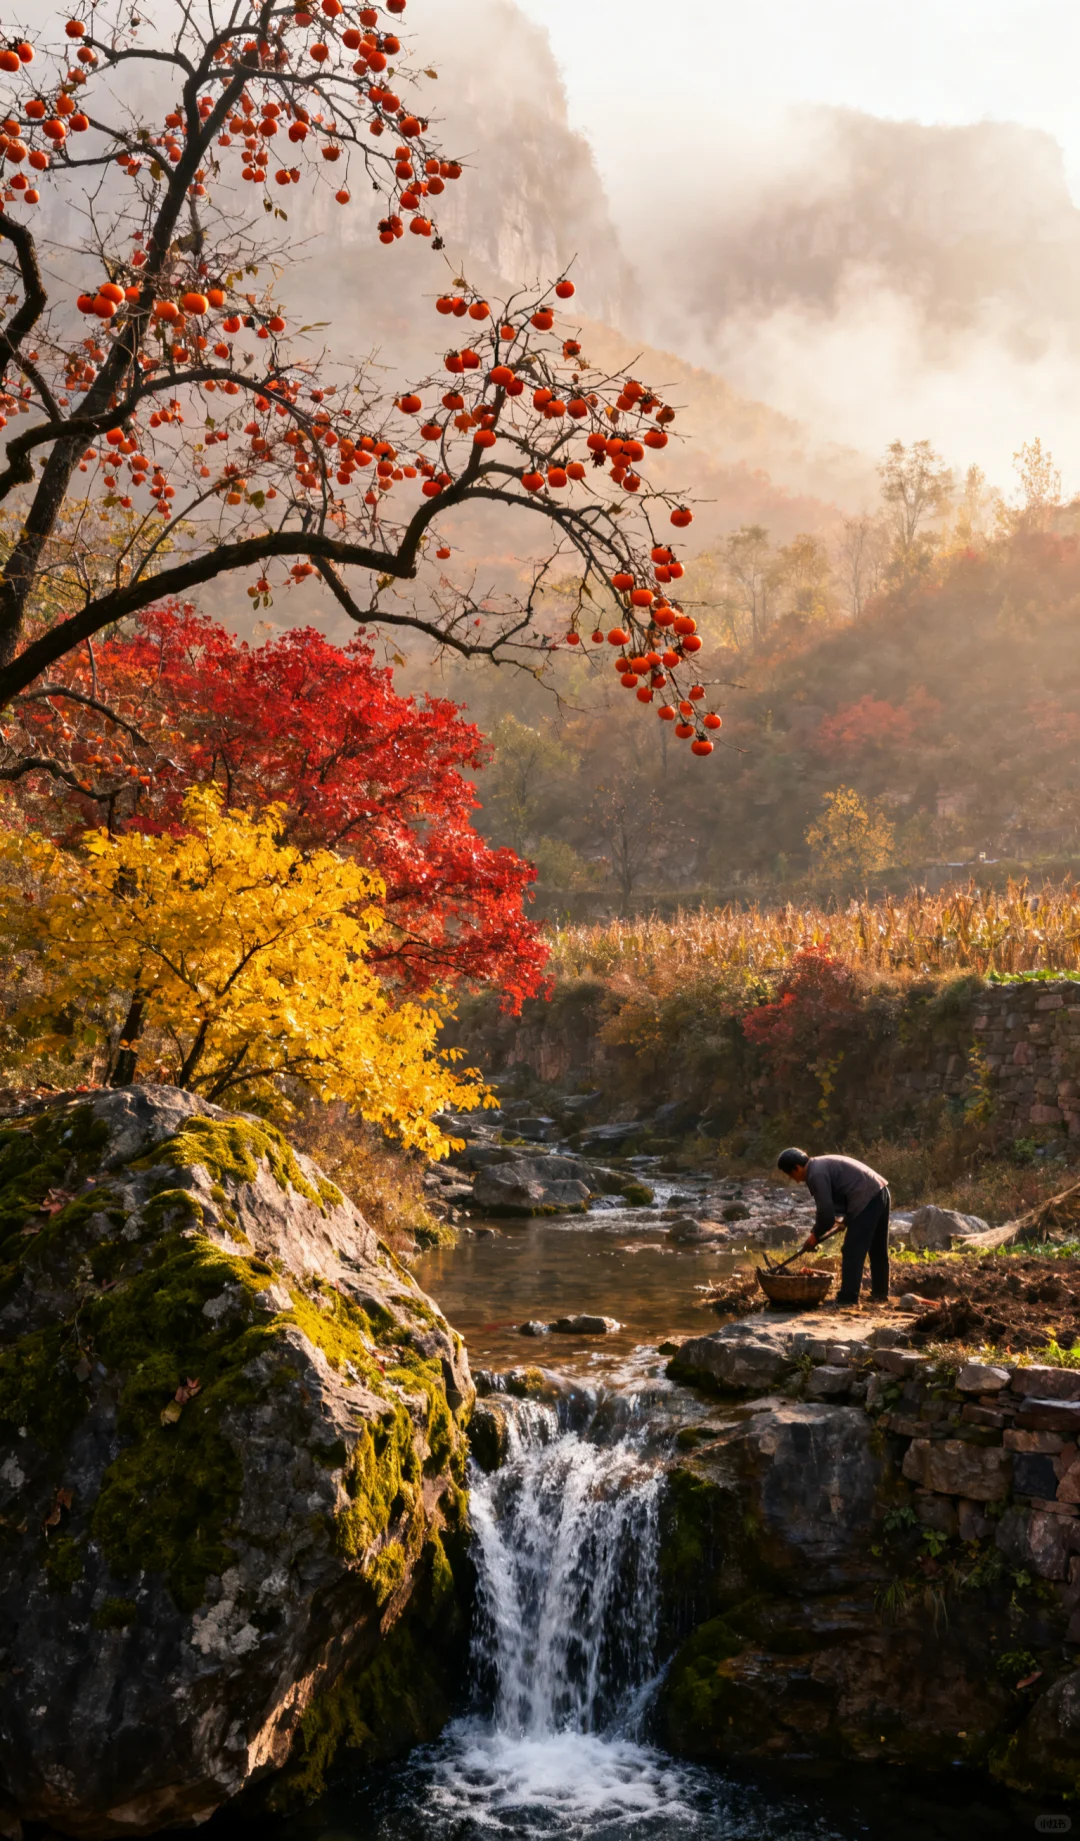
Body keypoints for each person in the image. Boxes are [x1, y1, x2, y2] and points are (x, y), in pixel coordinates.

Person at [776, 1147, 890, 1306]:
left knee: (851, 1250)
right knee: (877, 1249)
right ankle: (880, 1293)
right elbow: (845, 1192)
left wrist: (814, 1235)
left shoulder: (815, 1174)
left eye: (791, 1175)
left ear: (797, 1168)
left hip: (866, 1197)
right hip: (880, 1191)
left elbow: (826, 1214)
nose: (795, 1180)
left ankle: (847, 1298)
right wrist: (846, 1220)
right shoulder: (820, 1165)